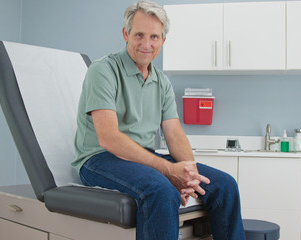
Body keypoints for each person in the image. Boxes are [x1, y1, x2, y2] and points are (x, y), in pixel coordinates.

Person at [72, 1, 245, 239]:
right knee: (161, 190)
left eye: (154, 37)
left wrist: (188, 174)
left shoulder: (161, 81)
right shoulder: (103, 71)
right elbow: (108, 138)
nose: (146, 44)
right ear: (126, 34)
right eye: (139, 35)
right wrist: (168, 171)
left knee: (225, 186)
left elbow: (174, 133)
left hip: (142, 157)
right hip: (99, 159)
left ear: (163, 40)